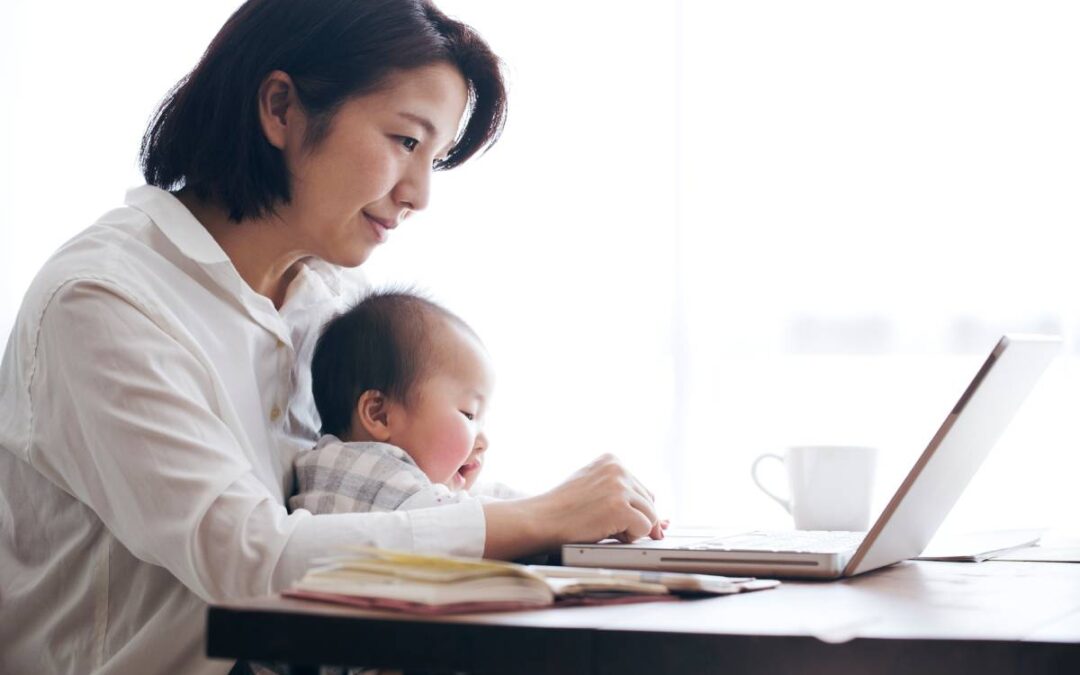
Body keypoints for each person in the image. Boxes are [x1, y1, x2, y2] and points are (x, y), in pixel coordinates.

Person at [0, 1, 664, 673]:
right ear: (282, 108)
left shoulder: (333, 301)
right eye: (406, 141)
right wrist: (539, 517)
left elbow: (391, 498)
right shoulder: (103, 300)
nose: (419, 194)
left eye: (434, 157)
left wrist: (581, 522)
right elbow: (253, 561)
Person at [289, 288, 523, 515]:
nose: (483, 442)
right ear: (380, 415)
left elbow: (489, 498)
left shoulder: (402, 483)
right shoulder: (357, 472)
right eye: (468, 414)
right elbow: (461, 521)